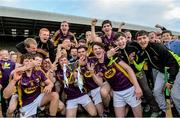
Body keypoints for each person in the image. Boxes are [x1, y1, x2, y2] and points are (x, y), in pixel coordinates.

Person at [133, 30, 179, 114]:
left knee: (175, 96)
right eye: (139, 39)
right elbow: (139, 64)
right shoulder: (142, 51)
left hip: (176, 69)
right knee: (157, 92)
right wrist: (133, 59)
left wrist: (170, 81)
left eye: (144, 38)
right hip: (162, 72)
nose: (142, 41)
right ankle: (166, 111)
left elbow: (174, 64)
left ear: (148, 38)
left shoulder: (158, 47)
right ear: (137, 41)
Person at [92, 42, 142, 117]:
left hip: (129, 89)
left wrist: (137, 87)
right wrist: (92, 72)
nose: (97, 50)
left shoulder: (113, 57)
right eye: (95, 49)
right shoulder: (97, 66)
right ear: (93, 52)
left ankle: (128, 106)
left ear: (103, 50)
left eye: (99, 48)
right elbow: (100, 84)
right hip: (117, 93)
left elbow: (129, 69)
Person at [77, 45, 104, 116]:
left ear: (86, 52)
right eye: (79, 52)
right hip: (87, 91)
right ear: (77, 54)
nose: (81, 53)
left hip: (97, 87)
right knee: (94, 113)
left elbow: (100, 80)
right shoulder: (76, 64)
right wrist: (79, 67)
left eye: (83, 51)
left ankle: (104, 111)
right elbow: (79, 82)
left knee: (100, 111)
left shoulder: (94, 60)